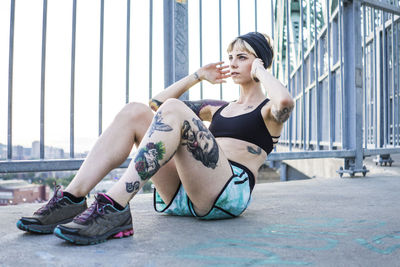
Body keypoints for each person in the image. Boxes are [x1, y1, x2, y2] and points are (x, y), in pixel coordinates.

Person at [16, 32, 294, 245]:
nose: (232, 63)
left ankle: (113, 207)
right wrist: (197, 76)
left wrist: (259, 70)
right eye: (230, 56)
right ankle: (72, 199)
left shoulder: (268, 110)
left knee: (176, 108)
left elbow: (285, 101)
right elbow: (156, 106)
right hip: (188, 191)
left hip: (226, 194)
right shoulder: (220, 108)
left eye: (241, 57)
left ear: (259, 63)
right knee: (135, 111)